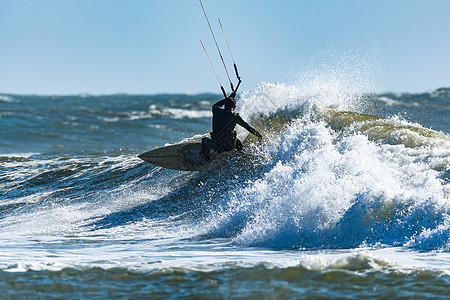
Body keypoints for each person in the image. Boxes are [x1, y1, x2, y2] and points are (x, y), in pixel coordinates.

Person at [201, 92, 262, 161]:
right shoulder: (235, 116)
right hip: (229, 146)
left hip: (217, 146)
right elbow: (247, 127)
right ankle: (240, 156)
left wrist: (226, 99)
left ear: (224, 105)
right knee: (236, 140)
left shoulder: (216, 111)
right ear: (234, 107)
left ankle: (206, 157)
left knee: (204, 140)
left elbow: (215, 105)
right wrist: (258, 135)